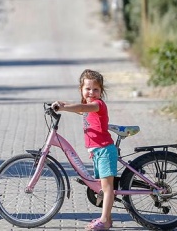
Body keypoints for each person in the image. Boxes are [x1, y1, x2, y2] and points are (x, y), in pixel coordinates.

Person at [51, 69, 116, 231]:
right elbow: (79, 108)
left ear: (101, 92)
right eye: (88, 88)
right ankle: (107, 218)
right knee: (102, 186)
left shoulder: (97, 105)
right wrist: (61, 103)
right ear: (81, 89)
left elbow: (80, 107)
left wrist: (64, 108)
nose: (91, 92)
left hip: (105, 151)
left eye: (96, 89)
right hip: (97, 151)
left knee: (107, 188)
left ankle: (104, 221)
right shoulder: (87, 106)